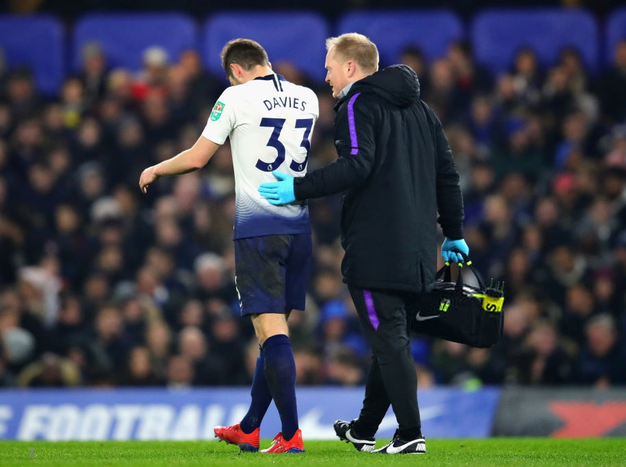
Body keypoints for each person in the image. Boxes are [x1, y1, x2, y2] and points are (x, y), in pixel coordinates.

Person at [259, 33, 468, 454]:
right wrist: (455, 233)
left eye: (331, 67)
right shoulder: (422, 111)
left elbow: (357, 165)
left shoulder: (357, 103)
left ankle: (410, 434)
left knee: (389, 341)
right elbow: (447, 174)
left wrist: (299, 187)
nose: (327, 76)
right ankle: (365, 428)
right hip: (420, 249)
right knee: (388, 338)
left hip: (377, 248)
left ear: (351, 68)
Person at [139, 38, 318, 454]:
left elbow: (199, 158)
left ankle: (290, 434)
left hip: (258, 230)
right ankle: (251, 426)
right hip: (299, 229)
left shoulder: (234, 97)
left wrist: (156, 168)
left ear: (236, 70)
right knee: (272, 333)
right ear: (266, 63)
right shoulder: (307, 96)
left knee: (271, 332)